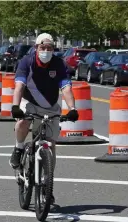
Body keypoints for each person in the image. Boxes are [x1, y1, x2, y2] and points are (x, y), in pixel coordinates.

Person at [9, 33, 79, 203]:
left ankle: (47, 184)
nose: (46, 51)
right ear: (36, 48)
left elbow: (66, 88)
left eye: (49, 48)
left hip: (50, 106)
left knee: (50, 144)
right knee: (23, 121)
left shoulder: (58, 64)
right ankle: (18, 150)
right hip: (29, 102)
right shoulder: (27, 62)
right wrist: (15, 107)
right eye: (43, 48)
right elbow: (19, 85)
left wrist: (72, 109)